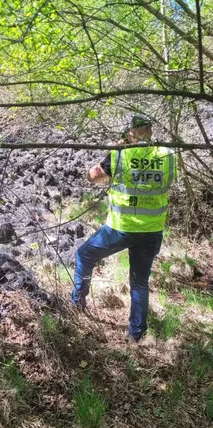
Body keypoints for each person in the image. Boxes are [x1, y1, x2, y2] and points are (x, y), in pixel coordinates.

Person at [71, 114, 177, 342]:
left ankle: (76, 306)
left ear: (130, 132)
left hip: (121, 228)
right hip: (152, 230)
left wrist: (114, 153)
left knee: (84, 254)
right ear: (149, 130)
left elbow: (92, 177)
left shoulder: (121, 154)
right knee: (139, 282)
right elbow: (167, 183)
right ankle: (136, 335)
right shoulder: (167, 155)